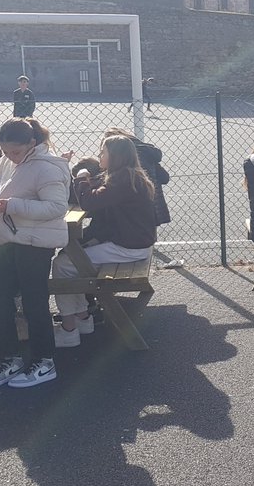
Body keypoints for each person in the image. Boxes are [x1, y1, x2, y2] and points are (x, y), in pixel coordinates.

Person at [0, 118, 70, 389]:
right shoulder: (9, 162)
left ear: (32, 143)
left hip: (36, 243)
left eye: (15, 152)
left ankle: (44, 361)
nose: (9, 157)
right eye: (5, 151)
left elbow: (56, 208)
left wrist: (12, 206)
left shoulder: (47, 167)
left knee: (34, 302)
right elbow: (1, 191)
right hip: (11, 239)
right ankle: (10, 357)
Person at [51, 136, 157, 348]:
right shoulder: (126, 175)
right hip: (132, 242)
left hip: (129, 247)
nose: (99, 156)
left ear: (115, 156)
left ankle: (70, 329)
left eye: (103, 153)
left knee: (62, 265)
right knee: (70, 259)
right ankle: (82, 319)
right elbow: (87, 195)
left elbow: (90, 201)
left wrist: (81, 177)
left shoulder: (124, 179)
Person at [102, 128, 171, 225]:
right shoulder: (147, 152)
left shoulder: (127, 157)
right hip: (155, 204)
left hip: (136, 207)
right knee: (148, 235)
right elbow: (164, 178)